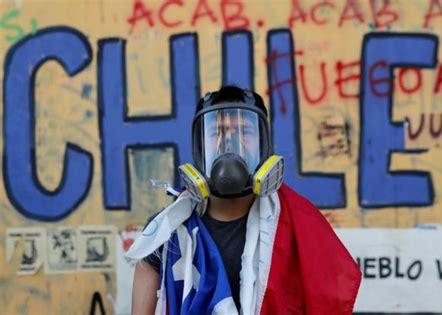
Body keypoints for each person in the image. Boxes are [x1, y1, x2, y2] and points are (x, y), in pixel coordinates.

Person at [126, 86, 361, 315]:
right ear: (199, 147)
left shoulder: (299, 226)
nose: (229, 143)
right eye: (216, 132)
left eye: (245, 132)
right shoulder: (165, 234)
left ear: (264, 145)